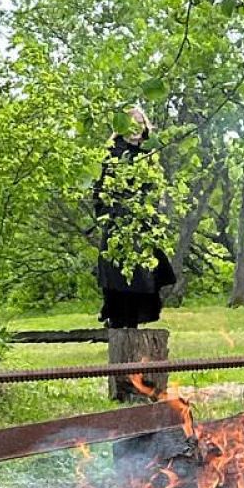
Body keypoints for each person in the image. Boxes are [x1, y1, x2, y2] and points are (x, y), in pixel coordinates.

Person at [92, 106, 175, 329]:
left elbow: (156, 188)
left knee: (145, 275)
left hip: (143, 224)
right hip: (119, 222)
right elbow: (100, 189)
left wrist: (152, 214)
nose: (136, 128)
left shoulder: (149, 153)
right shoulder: (113, 151)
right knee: (117, 273)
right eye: (131, 123)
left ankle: (133, 325)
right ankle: (117, 320)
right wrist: (111, 214)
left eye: (140, 123)